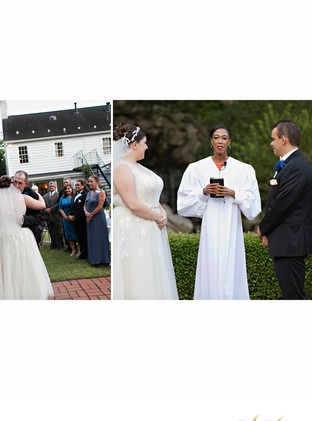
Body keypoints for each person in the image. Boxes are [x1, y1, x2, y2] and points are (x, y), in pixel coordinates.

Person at [177, 125, 261, 299]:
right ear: (211, 141)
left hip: (232, 227)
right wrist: (204, 192)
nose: (220, 141)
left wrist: (233, 193)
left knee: (232, 268)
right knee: (211, 265)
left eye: (224, 137)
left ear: (229, 142)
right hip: (210, 226)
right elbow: (183, 203)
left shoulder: (244, 169)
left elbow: (254, 204)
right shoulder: (196, 168)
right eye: (216, 137)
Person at [112, 123, 178, 299]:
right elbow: (132, 203)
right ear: (134, 144)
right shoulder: (121, 169)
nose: (147, 147)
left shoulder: (139, 167)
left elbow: (150, 195)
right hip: (135, 228)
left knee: (154, 277)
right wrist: (158, 216)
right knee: (139, 277)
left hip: (151, 229)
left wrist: (162, 211)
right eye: (145, 143)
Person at [257, 119, 312, 299]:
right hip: (288, 242)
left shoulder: (296, 167)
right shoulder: (290, 164)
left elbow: (282, 204)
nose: (271, 143)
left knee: (294, 296)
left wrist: (263, 227)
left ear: (283, 139)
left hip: (291, 243)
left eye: (273, 138)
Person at [0, 175, 53, 300]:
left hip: (1, 239)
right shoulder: (22, 198)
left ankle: (8, 295)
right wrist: (38, 194)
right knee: (22, 266)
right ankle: (26, 294)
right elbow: (41, 205)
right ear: (11, 185)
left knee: (6, 267)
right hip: (21, 237)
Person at [84, 175, 110, 266]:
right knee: (92, 238)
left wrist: (91, 215)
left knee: (99, 237)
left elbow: (100, 206)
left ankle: (103, 259)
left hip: (98, 218)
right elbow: (85, 205)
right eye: (89, 182)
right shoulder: (88, 193)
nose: (89, 183)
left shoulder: (101, 192)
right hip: (89, 218)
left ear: (97, 182)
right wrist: (86, 213)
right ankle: (93, 259)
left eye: (91, 181)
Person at [14, 170, 44, 246]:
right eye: (15, 182)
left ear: (26, 184)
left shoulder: (31, 194)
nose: (17, 185)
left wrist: (22, 219)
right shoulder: (8, 192)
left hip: (31, 232)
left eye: (20, 183)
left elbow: (39, 216)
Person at [69, 179, 88, 259]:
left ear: (83, 186)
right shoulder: (75, 195)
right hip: (75, 220)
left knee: (83, 237)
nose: (76, 186)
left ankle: (85, 254)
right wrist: (70, 215)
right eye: (75, 185)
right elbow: (72, 206)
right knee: (79, 237)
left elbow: (83, 207)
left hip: (81, 219)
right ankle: (81, 254)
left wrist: (75, 216)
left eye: (78, 185)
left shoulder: (85, 194)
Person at [59, 184, 78, 256]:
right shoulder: (62, 198)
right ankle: (73, 250)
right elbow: (60, 208)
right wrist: (65, 217)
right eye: (66, 189)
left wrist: (72, 216)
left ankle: (79, 249)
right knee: (68, 234)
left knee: (75, 233)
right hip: (65, 219)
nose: (67, 190)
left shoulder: (75, 197)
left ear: (72, 189)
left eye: (69, 188)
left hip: (74, 218)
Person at [44, 181, 64, 250]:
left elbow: (58, 204)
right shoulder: (45, 196)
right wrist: (46, 209)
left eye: (52, 186)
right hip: (48, 216)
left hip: (56, 215)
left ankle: (60, 246)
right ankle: (53, 245)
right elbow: (43, 204)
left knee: (58, 231)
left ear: (55, 187)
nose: (51, 187)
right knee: (51, 231)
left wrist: (51, 209)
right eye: (50, 186)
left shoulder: (58, 195)